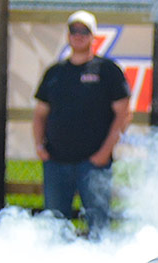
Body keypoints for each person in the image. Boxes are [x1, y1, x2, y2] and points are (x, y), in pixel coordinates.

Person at [32, 10, 130, 236]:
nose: (78, 35)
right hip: (56, 161)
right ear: (67, 35)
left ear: (93, 36)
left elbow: (124, 114)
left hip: (94, 163)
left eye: (84, 31)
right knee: (54, 228)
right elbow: (39, 114)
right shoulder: (55, 73)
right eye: (73, 30)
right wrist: (39, 146)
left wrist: (105, 152)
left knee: (99, 227)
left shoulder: (107, 71)